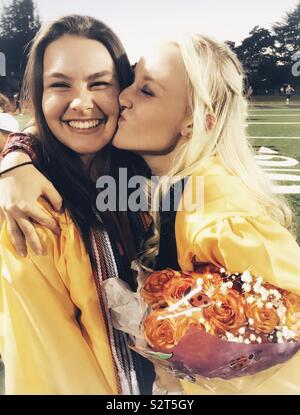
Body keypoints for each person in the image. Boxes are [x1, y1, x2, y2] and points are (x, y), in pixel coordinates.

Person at [2, 35, 300, 395]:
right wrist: (16, 154)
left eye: (147, 91)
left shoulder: (222, 217)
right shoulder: (163, 186)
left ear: (194, 122)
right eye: (130, 82)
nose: (123, 98)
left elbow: (287, 333)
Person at [0, 14, 156, 395]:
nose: (82, 103)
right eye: (59, 85)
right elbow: (52, 361)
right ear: (38, 95)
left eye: (100, 83)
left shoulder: (144, 171)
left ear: (124, 89)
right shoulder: (29, 209)